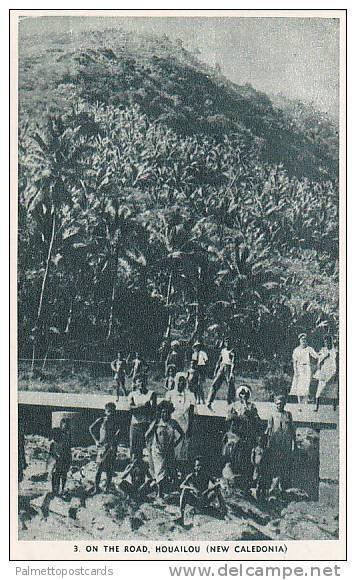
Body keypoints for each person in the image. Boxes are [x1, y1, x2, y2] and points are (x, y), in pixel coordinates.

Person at [224, 385, 262, 491]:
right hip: (237, 435)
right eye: (241, 394)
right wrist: (238, 417)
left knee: (247, 459)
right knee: (235, 457)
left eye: (245, 394)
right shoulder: (234, 405)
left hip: (248, 436)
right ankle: (234, 481)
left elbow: (256, 420)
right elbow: (228, 418)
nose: (243, 396)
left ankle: (246, 483)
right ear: (238, 395)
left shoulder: (252, 406)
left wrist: (249, 414)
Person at [145, 401, 184, 499]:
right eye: (163, 412)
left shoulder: (173, 423)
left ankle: (177, 491)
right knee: (159, 471)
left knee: (171, 469)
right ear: (160, 412)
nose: (165, 414)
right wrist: (151, 443)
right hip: (158, 450)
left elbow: (182, 434)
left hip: (169, 450)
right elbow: (146, 435)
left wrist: (175, 444)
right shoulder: (157, 422)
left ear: (170, 412)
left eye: (167, 412)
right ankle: (160, 493)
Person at [178, 456, 227, 526]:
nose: (199, 467)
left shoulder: (206, 475)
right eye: (198, 465)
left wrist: (218, 483)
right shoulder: (191, 476)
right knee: (184, 491)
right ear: (194, 467)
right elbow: (181, 486)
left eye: (201, 465)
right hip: (195, 500)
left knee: (217, 490)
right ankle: (181, 517)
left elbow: (215, 481)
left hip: (205, 499)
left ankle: (224, 512)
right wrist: (192, 488)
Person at [265, 394, 297, 497]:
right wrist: (267, 444)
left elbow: (292, 430)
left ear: (284, 404)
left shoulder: (288, 414)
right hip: (276, 445)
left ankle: (284, 489)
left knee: (285, 467)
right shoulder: (272, 415)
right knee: (275, 466)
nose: (279, 406)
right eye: (278, 404)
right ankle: (273, 488)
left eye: (281, 404)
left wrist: (294, 444)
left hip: (286, 446)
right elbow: (269, 430)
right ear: (275, 404)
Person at [166, 372, 196, 470]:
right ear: (175, 381)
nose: (181, 383)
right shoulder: (170, 394)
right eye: (179, 380)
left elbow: (191, 413)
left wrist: (190, 428)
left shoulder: (190, 395)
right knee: (171, 448)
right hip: (172, 425)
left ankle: (181, 470)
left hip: (185, 425)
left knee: (183, 449)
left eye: (183, 380)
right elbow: (165, 410)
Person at [89, 402, 119, 494]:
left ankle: (107, 488)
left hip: (111, 447)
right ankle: (96, 488)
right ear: (105, 411)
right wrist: (96, 441)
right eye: (108, 411)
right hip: (102, 447)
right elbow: (91, 428)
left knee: (110, 469)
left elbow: (118, 433)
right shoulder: (101, 420)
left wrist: (114, 442)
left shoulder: (115, 422)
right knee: (99, 468)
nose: (110, 413)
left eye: (112, 412)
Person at [128, 374, 157, 460]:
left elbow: (153, 411)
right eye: (139, 381)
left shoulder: (151, 394)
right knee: (134, 449)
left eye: (143, 381)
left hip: (147, 425)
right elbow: (130, 409)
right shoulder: (132, 394)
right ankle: (134, 469)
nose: (142, 383)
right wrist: (143, 406)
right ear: (135, 383)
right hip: (135, 425)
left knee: (150, 448)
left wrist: (137, 408)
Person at [290, 334, 318, 409]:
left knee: (306, 386)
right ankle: (299, 404)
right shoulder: (296, 350)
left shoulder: (309, 349)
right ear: (299, 340)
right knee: (299, 386)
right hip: (299, 368)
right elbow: (294, 362)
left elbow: (316, 356)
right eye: (302, 339)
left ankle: (305, 404)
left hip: (307, 368)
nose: (303, 341)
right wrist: (295, 371)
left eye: (305, 339)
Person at [207, 339, 236, 409]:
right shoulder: (223, 350)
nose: (228, 344)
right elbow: (219, 360)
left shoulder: (232, 351)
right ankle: (209, 401)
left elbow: (233, 363)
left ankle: (230, 402)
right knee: (215, 384)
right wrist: (216, 370)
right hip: (222, 367)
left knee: (230, 386)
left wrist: (231, 373)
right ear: (225, 343)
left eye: (229, 342)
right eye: (226, 342)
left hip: (228, 368)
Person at [314, 336, 338, 412]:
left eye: (328, 341)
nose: (327, 343)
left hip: (332, 371)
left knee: (333, 390)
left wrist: (336, 373)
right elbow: (319, 362)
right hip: (324, 372)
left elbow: (337, 362)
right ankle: (317, 407)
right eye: (325, 341)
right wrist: (325, 356)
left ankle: (334, 408)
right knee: (320, 390)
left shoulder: (335, 350)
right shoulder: (323, 350)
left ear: (331, 342)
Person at [49, 418, 72, 496]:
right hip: (57, 457)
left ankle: (62, 489)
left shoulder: (68, 435)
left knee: (64, 474)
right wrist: (56, 456)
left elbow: (68, 447)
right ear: (61, 425)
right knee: (56, 474)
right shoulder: (57, 433)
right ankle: (54, 491)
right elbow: (52, 446)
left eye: (67, 426)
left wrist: (69, 458)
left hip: (65, 457)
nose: (66, 428)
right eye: (65, 426)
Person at [251, 433, 269, 500]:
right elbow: (252, 458)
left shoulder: (266, 450)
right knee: (257, 481)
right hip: (257, 468)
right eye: (261, 440)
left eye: (264, 440)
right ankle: (257, 496)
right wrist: (255, 465)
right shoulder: (255, 449)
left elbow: (268, 459)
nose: (262, 442)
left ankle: (263, 498)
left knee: (263, 483)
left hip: (264, 469)